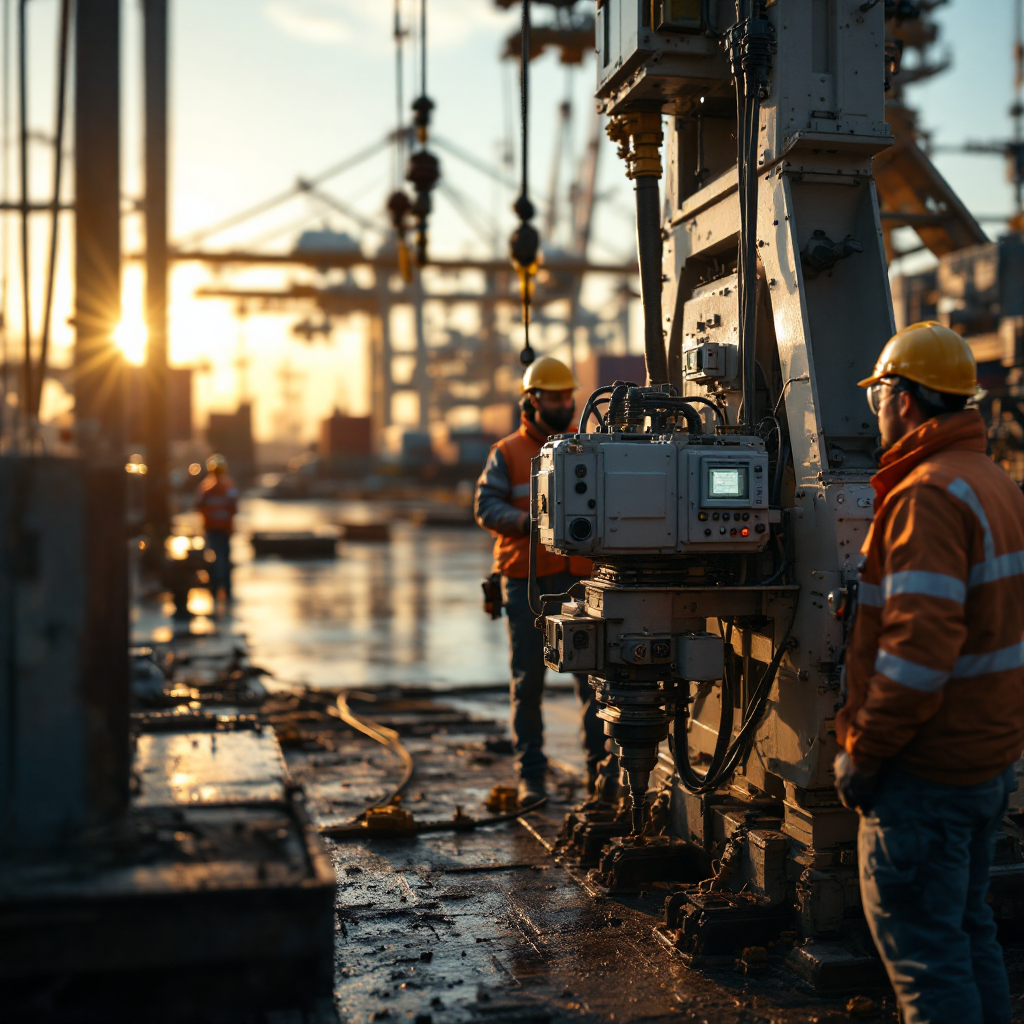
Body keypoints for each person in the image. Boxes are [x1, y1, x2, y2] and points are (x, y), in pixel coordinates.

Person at [834, 321, 1024, 1024]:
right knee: (970, 936)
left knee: (927, 963)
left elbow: (918, 656)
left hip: (927, 774)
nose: (874, 408)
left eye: (879, 392)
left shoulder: (926, 497)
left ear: (905, 400)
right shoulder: (993, 483)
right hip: (986, 761)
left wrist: (864, 750)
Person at [474, 356, 608, 804]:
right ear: (531, 401)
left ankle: (600, 775)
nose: (563, 404)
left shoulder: (586, 447)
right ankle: (531, 774)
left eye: (567, 396)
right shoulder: (507, 452)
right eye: (553, 397)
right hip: (527, 582)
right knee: (528, 681)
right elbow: (485, 507)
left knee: (591, 682)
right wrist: (531, 523)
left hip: (582, 583)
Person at [195, 453, 239, 605]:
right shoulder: (229, 487)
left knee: (214, 559)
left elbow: (198, 505)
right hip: (224, 530)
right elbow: (234, 508)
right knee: (225, 560)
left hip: (212, 530)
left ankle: (214, 591)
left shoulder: (206, 487)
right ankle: (226, 592)